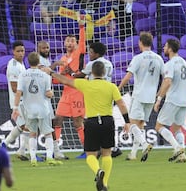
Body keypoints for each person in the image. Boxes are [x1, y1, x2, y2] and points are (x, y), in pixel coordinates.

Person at [42, 61, 130, 191]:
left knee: (90, 155)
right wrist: (127, 121)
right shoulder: (111, 86)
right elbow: (122, 104)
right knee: (107, 154)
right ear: (104, 73)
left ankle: (98, 171)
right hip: (107, 121)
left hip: (92, 122)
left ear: (92, 72)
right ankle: (104, 183)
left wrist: (51, 72)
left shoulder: (85, 84)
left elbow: (65, 81)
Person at [118, 32, 164, 161]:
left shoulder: (138, 58)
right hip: (151, 96)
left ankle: (144, 144)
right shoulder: (158, 58)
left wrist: (118, 88)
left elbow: (128, 75)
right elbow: (165, 77)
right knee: (141, 124)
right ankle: (133, 153)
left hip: (139, 94)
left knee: (131, 123)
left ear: (140, 43)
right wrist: (160, 93)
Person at [11, 52, 62, 166]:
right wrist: (52, 94)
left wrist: (15, 108)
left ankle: (33, 159)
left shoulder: (23, 75)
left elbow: (19, 92)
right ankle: (49, 157)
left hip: (29, 109)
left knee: (32, 133)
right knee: (48, 133)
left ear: (27, 61)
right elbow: (48, 93)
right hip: (43, 108)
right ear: (38, 61)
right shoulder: (44, 75)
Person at [73, 42, 122, 157]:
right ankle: (112, 147)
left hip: (95, 94)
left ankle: (93, 147)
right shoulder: (109, 63)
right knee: (108, 119)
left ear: (96, 53)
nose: (89, 54)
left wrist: (71, 73)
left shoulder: (93, 64)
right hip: (107, 93)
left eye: (90, 52)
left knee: (90, 120)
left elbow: (80, 75)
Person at [154, 39, 186, 163]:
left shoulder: (170, 64)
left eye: (165, 46)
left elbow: (168, 82)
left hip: (173, 100)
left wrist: (159, 99)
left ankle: (177, 148)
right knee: (177, 129)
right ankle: (183, 154)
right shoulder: (184, 63)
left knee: (159, 126)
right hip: (185, 100)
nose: (164, 48)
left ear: (170, 49)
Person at [54, 17, 86, 158]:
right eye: (67, 41)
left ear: (76, 44)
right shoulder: (62, 59)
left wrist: (81, 27)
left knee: (77, 122)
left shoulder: (78, 53)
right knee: (57, 119)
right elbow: (60, 80)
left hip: (77, 92)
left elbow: (83, 44)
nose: (69, 43)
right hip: (66, 94)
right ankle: (56, 151)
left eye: (72, 41)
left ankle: (87, 149)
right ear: (64, 43)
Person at [37, 40, 69, 160]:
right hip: (39, 98)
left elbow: (49, 76)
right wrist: (55, 65)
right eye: (43, 48)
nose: (46, 50)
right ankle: (52, 151)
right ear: (38, 49)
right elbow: (44, 71)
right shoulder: (38, 60)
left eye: (47, 48)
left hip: (46, 98)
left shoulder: (46, 60)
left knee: (50, 123)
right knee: (36, 126)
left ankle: (54, 151)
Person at [2, 41, 30, 161]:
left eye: (22, 51)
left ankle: (4, 145)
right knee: (28, 125)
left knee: (22, 125)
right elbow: (14, 88)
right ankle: (24, 151)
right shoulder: (13, 65)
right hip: (18, 101)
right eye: (18, 51)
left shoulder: (21, 64)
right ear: (13, 52)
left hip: (21, 100)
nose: (21, 53)